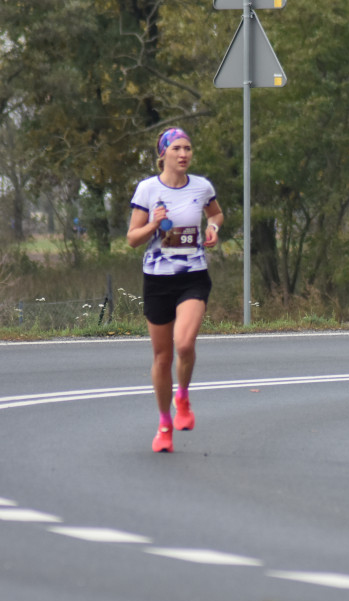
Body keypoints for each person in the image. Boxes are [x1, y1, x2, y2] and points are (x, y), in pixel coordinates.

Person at [127, 127, 223, 453]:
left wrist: (212, 228)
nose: (184, 154)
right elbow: (132, 238)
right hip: (157, 280)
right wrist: (154, 225)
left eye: (188, 148)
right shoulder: (147, 190)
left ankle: (183, 396)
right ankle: (164, 422)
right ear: (163, 154)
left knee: (184, 343)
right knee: (162, 355)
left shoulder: (201, 187)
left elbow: (217, 213)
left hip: (192, 276)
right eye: (177, 149)